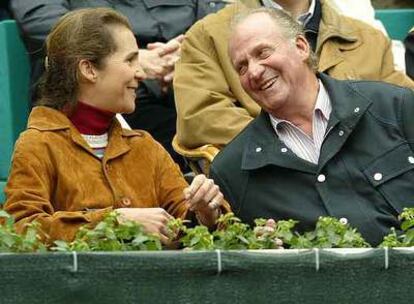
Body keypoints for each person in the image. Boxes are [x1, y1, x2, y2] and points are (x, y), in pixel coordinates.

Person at [3, 8, 227, 244]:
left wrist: (205, 211)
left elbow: (184, 222)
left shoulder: (145, 147)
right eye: (130, 60)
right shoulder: (38, 145)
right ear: (88, 69)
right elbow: (21, 230)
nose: (140, 72)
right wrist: (113, 222)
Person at [209, 8, 414, 246]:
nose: (253, 72)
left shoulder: (393, 107)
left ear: (301, 47)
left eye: (262, 53)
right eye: (242, 67)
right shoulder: (233, 171)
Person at [10, 0, 230, 172]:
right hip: (110, 94)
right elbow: (40, 20)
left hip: (193, 80)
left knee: (241, 126)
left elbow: (213, 13)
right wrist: (131, 58)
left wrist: (189, 55)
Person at [174, 0, 414, 152]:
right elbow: (200, 118)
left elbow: (402, 107)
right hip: (276, 182)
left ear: (301, 46)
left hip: (376, 177)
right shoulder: (208, 36)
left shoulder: (366, 38)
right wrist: (295, 142)